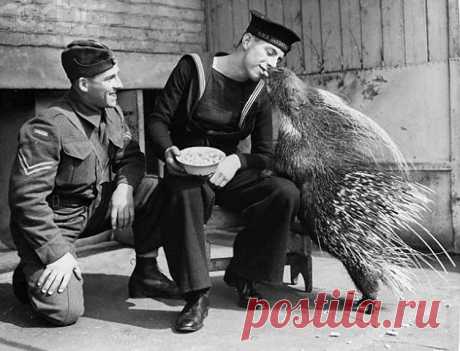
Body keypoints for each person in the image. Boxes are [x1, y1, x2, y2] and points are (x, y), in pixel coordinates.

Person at [134, 11, 301, 332]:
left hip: (228, 169)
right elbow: (158, 120)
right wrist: (169, 151)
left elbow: (265, 155)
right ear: (247, 41)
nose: (273, 64)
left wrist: (238, 161)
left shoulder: (261, 92)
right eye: (269, 52)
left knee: (284, 192)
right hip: (186, 167)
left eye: (279, 59)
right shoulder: (194, 68)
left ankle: (245, 274)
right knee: (184, 194)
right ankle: (197, 295)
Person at [9, 40, 178, 327]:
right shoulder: (48, 126)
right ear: (84, 84)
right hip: (56, 221)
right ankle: (30, 270)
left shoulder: (110, 113)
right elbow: (26, 199)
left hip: (94, 208)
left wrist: (124, 188)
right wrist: (57, 254)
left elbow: (133, 158)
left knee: (155, 189)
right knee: (64, 313)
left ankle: (147, 273)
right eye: (110, 78)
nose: (120, 84)